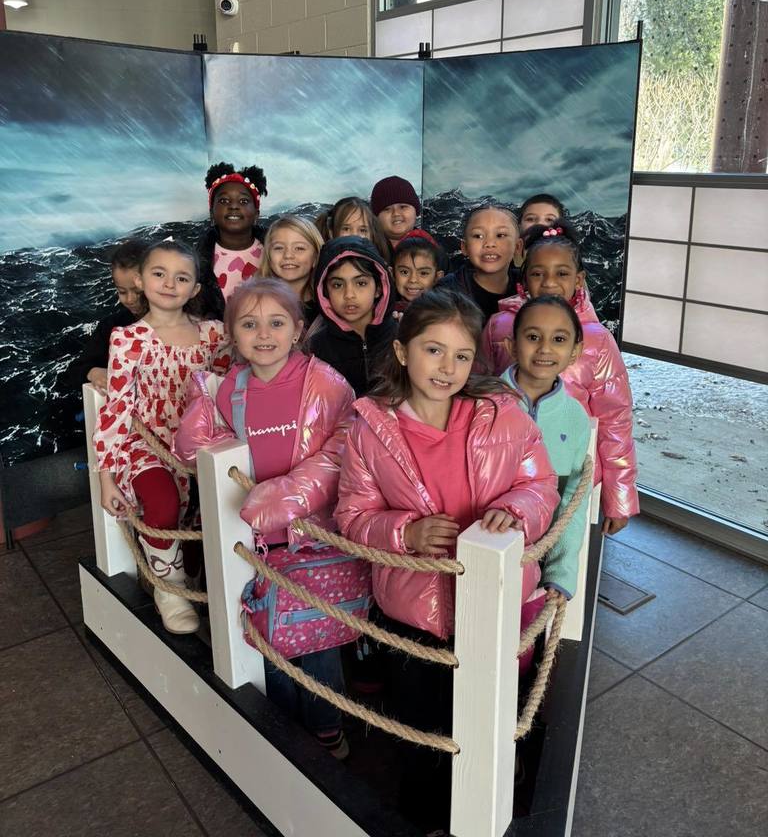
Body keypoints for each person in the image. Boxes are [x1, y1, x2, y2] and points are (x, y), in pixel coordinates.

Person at [336, 289, 559, 831]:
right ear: (403, 352)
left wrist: (516, 509)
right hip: (413, 613)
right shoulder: (370, 428)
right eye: (433, 351)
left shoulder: (500, 414)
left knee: (493, 712)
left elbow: (542, 483)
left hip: (493, 603)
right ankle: (430, 812)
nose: (447, 368)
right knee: (423, 723)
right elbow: (352, 515)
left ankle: (496, 793)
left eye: (461, 356)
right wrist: (404, 532)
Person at [175, 277, 355, 758]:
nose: (264, 334)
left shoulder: (326, 382)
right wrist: (198, 403)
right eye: (249, 325)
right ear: (233, 335)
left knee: (318, 640)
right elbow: (194, 452)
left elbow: (347, 446)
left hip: (315, 542)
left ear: (298, 329)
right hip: (253, 546)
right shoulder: (229, 386)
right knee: (266, 639)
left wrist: (294, 493)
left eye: (276, 322)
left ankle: (327, 726)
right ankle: (287, 732)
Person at [94, 239, 228, 634]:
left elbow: (222, 391)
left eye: (181, 277)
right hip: (147, 441)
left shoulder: (213, 334)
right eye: (159, 273)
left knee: (201, 517)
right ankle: (169, 588)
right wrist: (106, 477)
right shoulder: (128, 339)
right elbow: (117, 407)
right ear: (139, 279)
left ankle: (196, 583)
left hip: (201, 444)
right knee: (164, 504)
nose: (170, 283)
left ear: (196, 289)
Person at [482, 220, 638, 535]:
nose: (549, 283)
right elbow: (479, 390)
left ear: (578, 280)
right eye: (538, 273)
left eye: (562, 273)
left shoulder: (597, 340)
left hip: (570, 475)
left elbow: (615, 419)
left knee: (565, 558)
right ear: (524, 281)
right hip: (505, 473)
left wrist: (619, 497)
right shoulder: (499, 327)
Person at [499, 295, 592, 670]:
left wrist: (561, 568)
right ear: (511, 344)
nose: (544, 349)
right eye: (533, 336)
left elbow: (574, 497)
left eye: (558, 339)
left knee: (521, 648)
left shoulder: (575, 417)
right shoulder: (484, 401)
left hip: (537, 558)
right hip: (482, 545)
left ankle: (516, 717)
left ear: (575, 351)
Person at [308, 235, 396, 397]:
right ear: (325, 291)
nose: (349, 294)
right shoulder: (316, 348)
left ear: (378, 288)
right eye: (337, 285)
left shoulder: (401, 335)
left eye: (361, 283)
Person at [70, 238, 146, 395]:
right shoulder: (111, 326)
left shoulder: (182, 322)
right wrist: (93, 372)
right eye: (122, 291)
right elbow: (75, 370)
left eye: (138, 292)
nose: (130, 299)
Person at [198, 162, 268, 318]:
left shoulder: (272, 251)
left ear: (256, 213)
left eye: (243, 201)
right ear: (211, 212)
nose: (233, 206)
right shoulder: (197, 260)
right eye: (224, 201)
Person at [436, 203, 522, 325]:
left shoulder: (528, 283)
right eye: (478, 236)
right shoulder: (447, 291)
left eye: (500, 235)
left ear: (518, 247)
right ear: (464, 247)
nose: (489, 243)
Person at [260, 214, 324, 325]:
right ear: (268, 256)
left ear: (316, 256)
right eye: (279, 248)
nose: (288, 255)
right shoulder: (256, 302)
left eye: (299, 248)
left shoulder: (329, 305)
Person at [315, 195, 391, 263]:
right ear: (331, 233)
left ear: (372, 235)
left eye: (362, 230)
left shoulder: (382, 270)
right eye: (346, 229)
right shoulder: (323, 269)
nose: (354, 236)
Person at [392, 233, 445, 314]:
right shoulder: (384, 312)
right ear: (392, 274)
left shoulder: (444, 314)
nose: (413, 280)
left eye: (423, 273)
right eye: (404, 272)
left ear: (437, 277)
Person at [370, 175, 421, 247]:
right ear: (376, 217)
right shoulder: (366, 252)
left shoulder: (431, 249)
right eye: (387, 209)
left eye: (403, 207)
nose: (396, 213)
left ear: (416, 211)